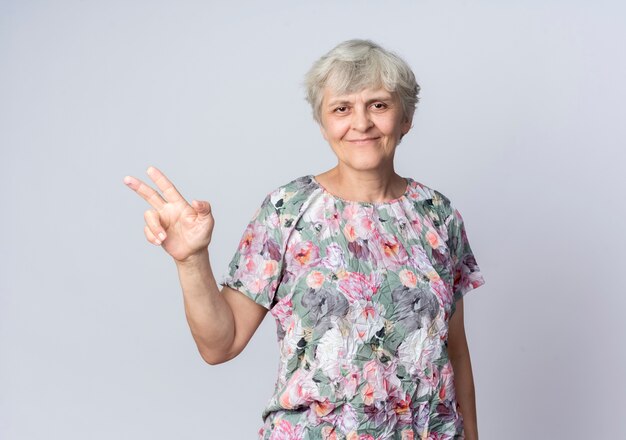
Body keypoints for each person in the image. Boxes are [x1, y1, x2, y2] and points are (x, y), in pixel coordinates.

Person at [123, 39, 486, 440]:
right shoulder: (287, 210)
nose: (361, 123)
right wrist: (191, 260)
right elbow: (219, 345)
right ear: (323, 123)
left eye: (379, 105)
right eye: (342, 108)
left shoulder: (438, 214)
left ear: (406, 118)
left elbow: (455, 352)